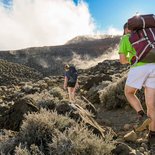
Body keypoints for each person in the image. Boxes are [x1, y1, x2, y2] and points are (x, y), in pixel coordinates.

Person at [118, 22, 155, 149]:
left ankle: (141, 115)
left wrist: (132, 59)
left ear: (125, 29)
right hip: (154, 67)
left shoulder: (125, 38)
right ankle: (153, 138)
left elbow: (122, 60)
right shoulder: (147, 36)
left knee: (129, 92)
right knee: (151, 106)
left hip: (140, 67)